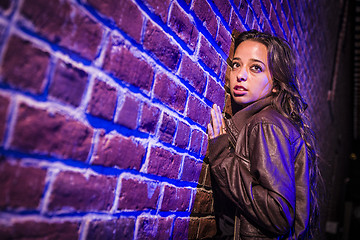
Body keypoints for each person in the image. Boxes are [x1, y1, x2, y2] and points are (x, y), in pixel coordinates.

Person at [206, 30, 320, 239]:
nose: (240, 75)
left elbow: (278, 214)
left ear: (276, 85)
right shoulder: (271, 122)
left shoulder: (265, 125)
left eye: (255, 68)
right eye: (236, 64)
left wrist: (222, 158)